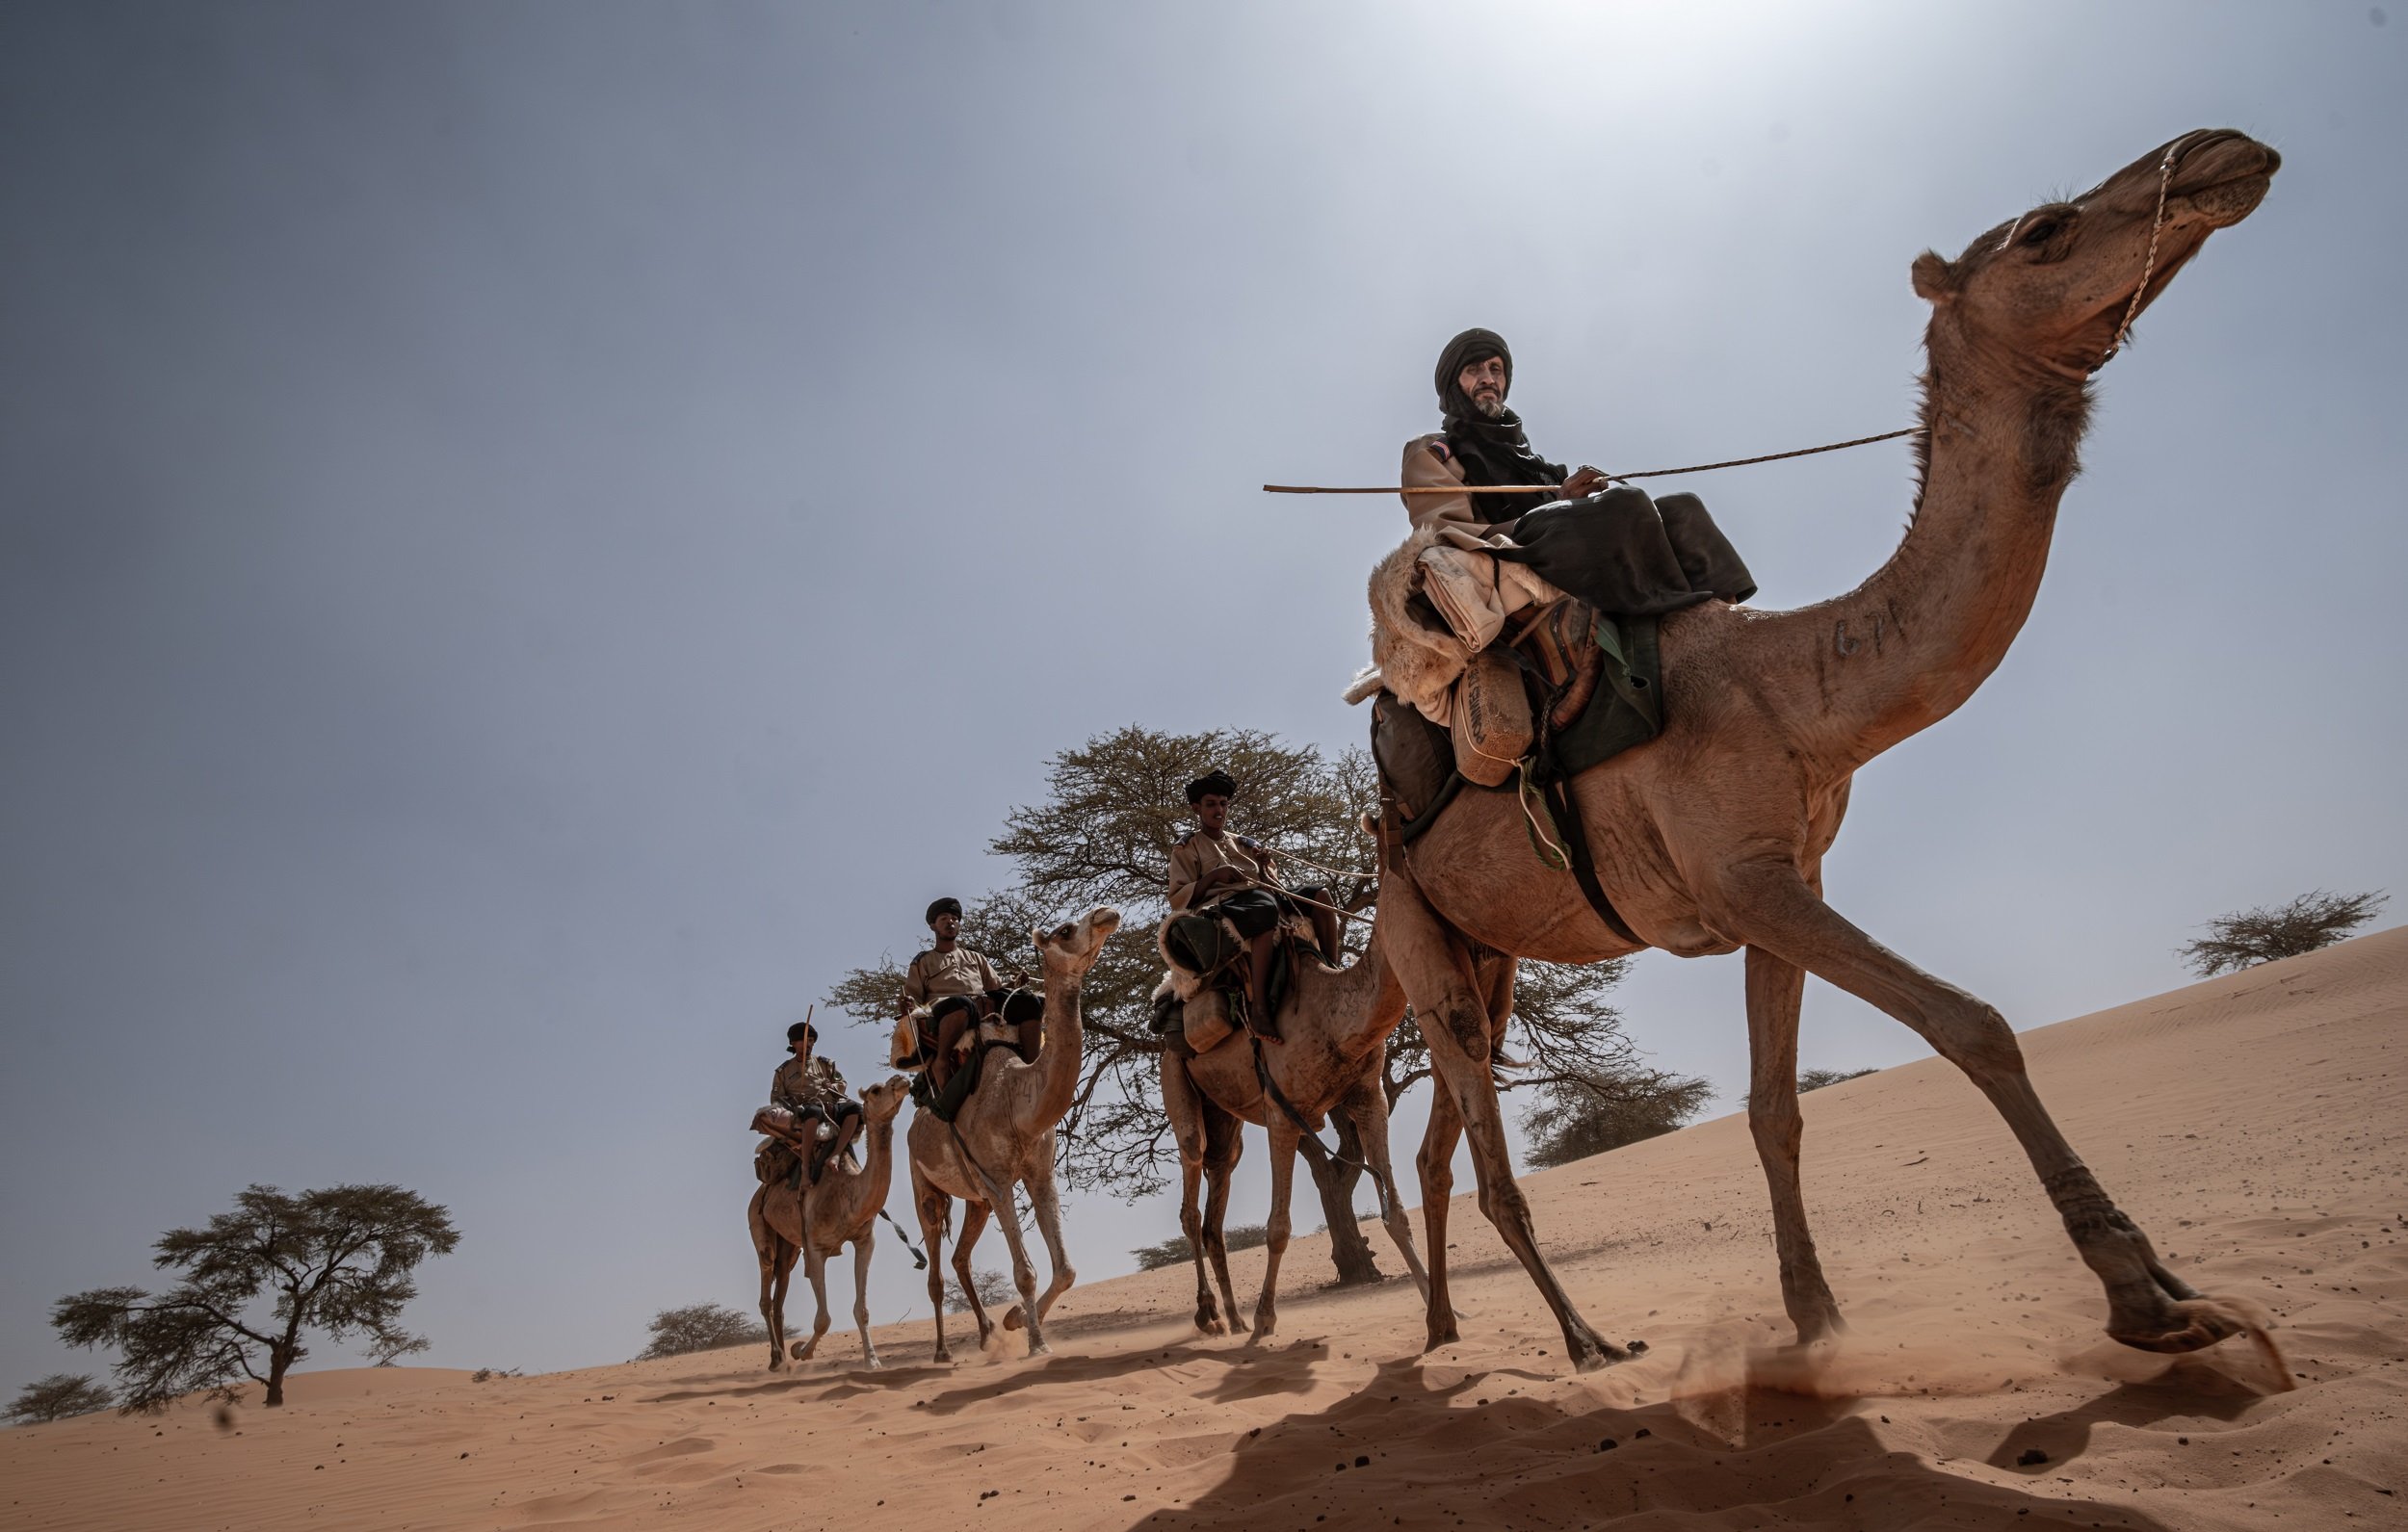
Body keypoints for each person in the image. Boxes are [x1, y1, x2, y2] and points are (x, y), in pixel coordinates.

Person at [1400, 327, 1755, 641]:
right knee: (1625, 504)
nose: (1488, 379)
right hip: (1506, 546)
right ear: (1454, 384)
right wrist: (1557, 509)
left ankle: (1731, 623)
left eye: (1496, 369)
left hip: (1555, 531)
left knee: (1683, 508)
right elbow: (1444, 531)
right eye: (1474, 370)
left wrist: (1569, 496)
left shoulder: (1528, 459)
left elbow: (1567, 507)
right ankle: (1678, 625)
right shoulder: (1435, 450)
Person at [1165, 768, 1342, 1042]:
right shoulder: (1187, 848)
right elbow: (1179, 896)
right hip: (1224, 904)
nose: (1219, 810)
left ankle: (1333, 971)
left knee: (1321, 896)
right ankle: (1260, 1010)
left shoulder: (1243, 843)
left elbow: (1272, 881)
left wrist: (1262, 865)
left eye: (1223, 804)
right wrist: (1214, 877)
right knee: (1265, 910)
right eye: (1211, 804)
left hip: (1263, 893)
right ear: (1196, 808)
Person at [899, 897, 1005, 1094]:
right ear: (933, 926)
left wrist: (1016, 986)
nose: (951, 922)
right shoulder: (923, 961)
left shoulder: (976, 958)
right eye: (944, 918)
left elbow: (996, 988)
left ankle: (1034, 1071)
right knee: (961, 1002)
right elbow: (913, 997)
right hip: (945, 1011)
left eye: (955, 918)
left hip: (981, 1010)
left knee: (1028, 1001)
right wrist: (907, 1004)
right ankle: (941, 1061)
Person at [771, 1018, 860, 1184]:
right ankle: (805, 1168)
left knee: (855, 1109)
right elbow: (776, 1099)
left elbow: (841, 1084)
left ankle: (836, 1154)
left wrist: (832, 1085)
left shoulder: (825, 1064)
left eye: (811, 1041)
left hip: (831, 1106)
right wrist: (791, 1103)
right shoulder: (783, 1071)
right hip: (804, 1110)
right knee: (814, 1112)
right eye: (804, 1041)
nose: (808, 1044)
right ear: (793, 1043)